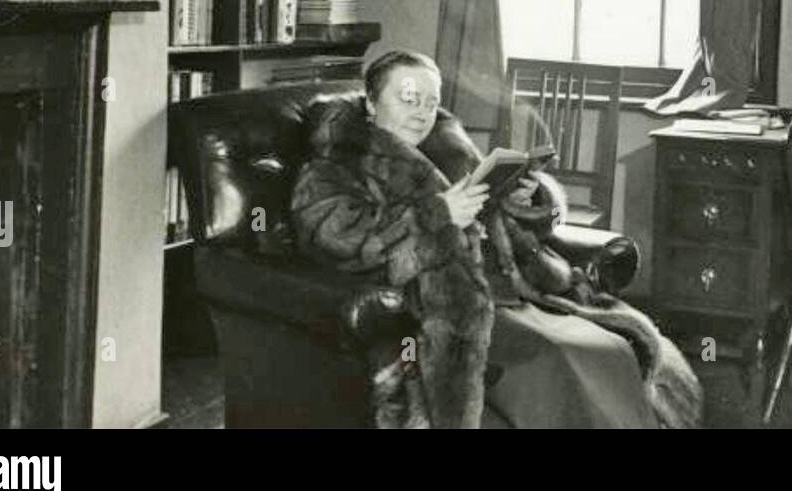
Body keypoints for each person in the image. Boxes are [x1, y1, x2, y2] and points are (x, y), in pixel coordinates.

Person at [290, 49, 700, 428]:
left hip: (513, 288)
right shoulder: (332, 167)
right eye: (408, 98)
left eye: (432, 102)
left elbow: (512, 226)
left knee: (612, 348)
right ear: (371, 104)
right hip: (448, 311)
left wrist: (522, 199)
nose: (421, 113)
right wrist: (439, 214)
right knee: (555, 359)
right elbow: (339, 241)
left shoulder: (444, 152)